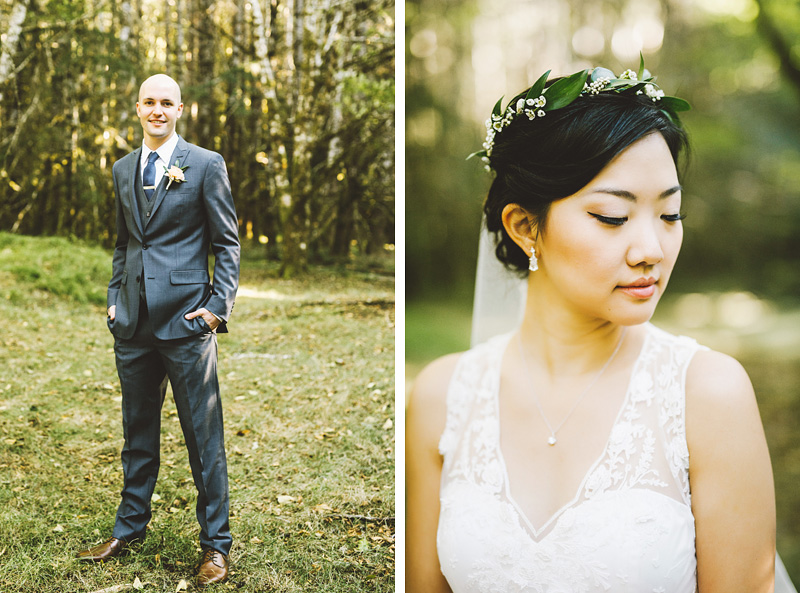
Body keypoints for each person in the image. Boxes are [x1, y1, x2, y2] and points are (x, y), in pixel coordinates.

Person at [406, 64, 784, 592]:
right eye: (612, 217)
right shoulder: (441, 397)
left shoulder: (709, 395)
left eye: (670, 215)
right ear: (524, 226)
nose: (651, 250)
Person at [76, 74, 240, 588]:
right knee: (137, 434)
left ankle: (215, 547)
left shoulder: (205, 164)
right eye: (149, 102)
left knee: (203, 438)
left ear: (180, 109)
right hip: (133, 324)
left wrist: (216, 307)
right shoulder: (124, 168)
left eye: (166, 103)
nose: (157, 110)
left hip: (188, 322)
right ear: (137, 108)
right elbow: (124, 243)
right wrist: (112, 299)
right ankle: (129, 529)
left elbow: (227, 243)